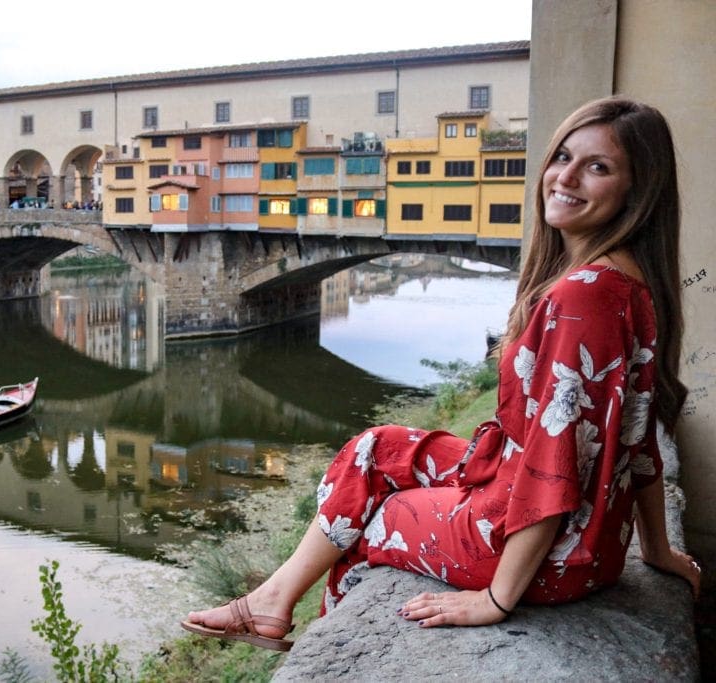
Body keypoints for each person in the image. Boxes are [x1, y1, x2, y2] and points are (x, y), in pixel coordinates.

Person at [181, 97, 702, 652]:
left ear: (637, 189)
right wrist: (657, 551)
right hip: (580, 541)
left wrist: (497, 599)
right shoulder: (626, 281)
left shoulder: (582, 298)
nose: (565, 177)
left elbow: (552, 469)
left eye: (598, 167)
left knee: (374, 518)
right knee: (375, 447)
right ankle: (273, 600)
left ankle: (325, 645)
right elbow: (640, 433)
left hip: (534, 554)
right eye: (563, 156)